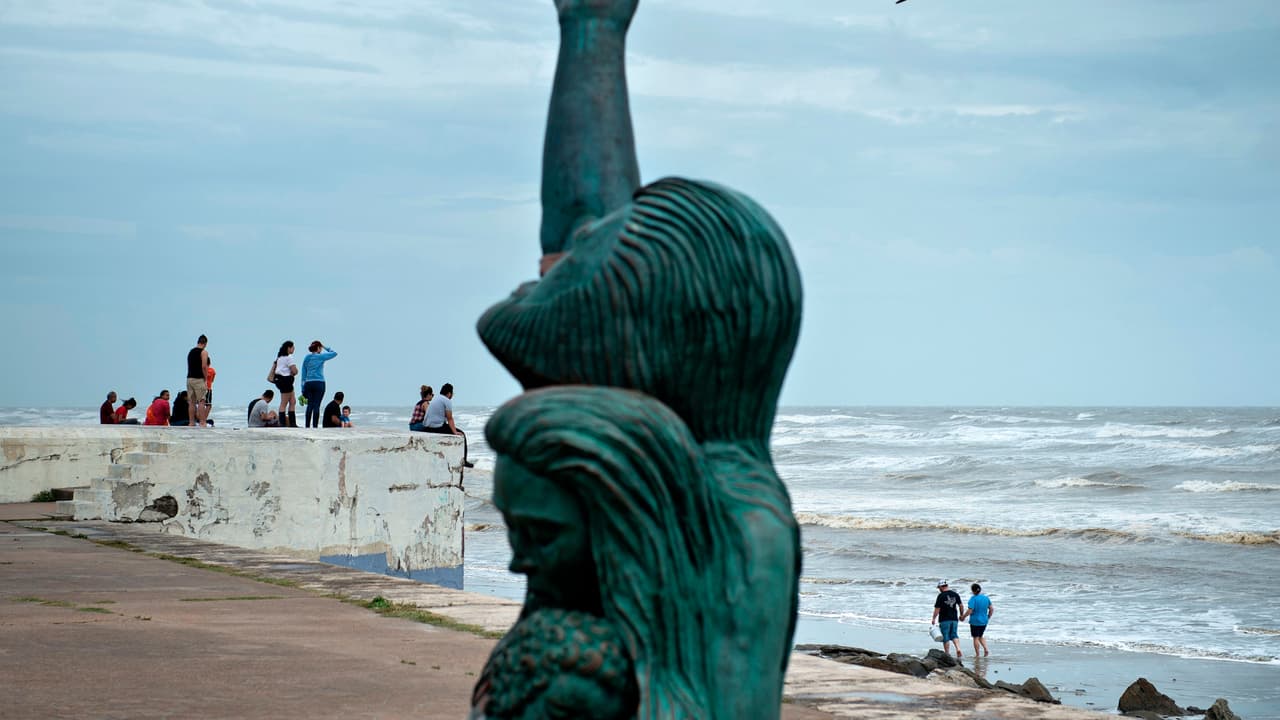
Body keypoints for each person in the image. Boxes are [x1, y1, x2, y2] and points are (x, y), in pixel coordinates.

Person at [424, 383, 473, 467]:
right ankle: (464, 460)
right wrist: (455, 432)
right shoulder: (447, 401)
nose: (452, 395)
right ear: (449, 393)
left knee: (446, 426)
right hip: (436, 427)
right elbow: (450, 418)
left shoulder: (436, 399)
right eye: (452, 393)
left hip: (426, 427)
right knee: (462, 434)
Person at [300, 340, 336, 428]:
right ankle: (315, 426)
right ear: (319, 348)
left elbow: (303, 373)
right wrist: (325, 346)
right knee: (317, 405)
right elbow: (334, 353)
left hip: (308, 383)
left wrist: (302, 387)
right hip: (319, 383)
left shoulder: (307, 357)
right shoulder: (321, 356)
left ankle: (307, 426)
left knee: (310, 405)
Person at [931, 579, 964, 658]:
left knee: (945, 636)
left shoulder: (941, 596)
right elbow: (961, 605)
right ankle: (958, 649)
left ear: (941, 587)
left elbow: (937, 609)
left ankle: (947, 654)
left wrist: (933, 618)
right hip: (954, 619)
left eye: (939, 588)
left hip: (944, 619)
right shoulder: (955, 594)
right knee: (954, 634)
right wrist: (961, 614)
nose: (939, 589)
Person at [271, 341, 300, 428]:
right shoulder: (289, 358)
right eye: (292, 347)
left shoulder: (280, 358)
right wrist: (293, 373)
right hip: (285, 381)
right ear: (288, 348)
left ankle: (292, 423)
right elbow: (295, 371)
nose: (294, 349)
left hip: (281, 380)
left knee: (292, 401)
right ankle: (283, 423)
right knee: (284, 403)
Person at [185, 334, 211, 427]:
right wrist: (205, 377)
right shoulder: (203, 352)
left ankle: (191, 422)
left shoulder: (191, 351)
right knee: (201, 401)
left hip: (189, 378)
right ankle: (202, 422)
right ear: (205, 343)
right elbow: (204, 366)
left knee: (191, 402)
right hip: (198, 378)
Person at [962, 582, 994, 657]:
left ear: (973, 591)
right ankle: (986, 649)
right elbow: (991, 609)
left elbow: (970, 610)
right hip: (984, 620)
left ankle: (977, 654)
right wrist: (988, 616)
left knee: (975, 637)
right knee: (981, 636)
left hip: (975, 621)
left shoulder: (973, 599)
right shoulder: (986, 598)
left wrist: (963, 616)